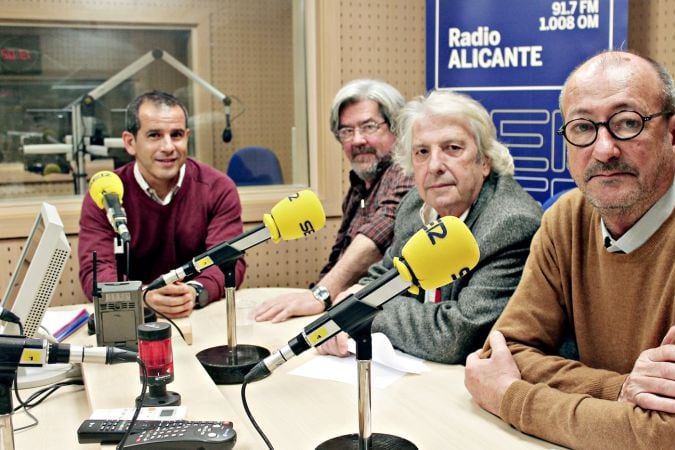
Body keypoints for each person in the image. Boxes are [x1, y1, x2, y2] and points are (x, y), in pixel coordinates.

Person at [464, 50, 675, 448]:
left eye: (628, 123)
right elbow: (504, 352)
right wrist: (620, 388)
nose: (604, 149)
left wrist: (512, 398)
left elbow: (669, 436)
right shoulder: (565, 219)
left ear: (674, 135)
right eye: (582, 127)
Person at [317, 90, 542, 364]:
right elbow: (384, 276)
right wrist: (353, 300)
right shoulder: (416, 205)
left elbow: (456, 336)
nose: (434, 165)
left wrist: (363, 310)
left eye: (453, 149)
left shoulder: (511, 223)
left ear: (485, 161)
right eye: (422, 152)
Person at [253, 79, 414, 321]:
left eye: (369, 127)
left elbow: (378, 234)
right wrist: (314, 294)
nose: (357, 140)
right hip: (344, 311)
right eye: (347, 131)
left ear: (396, 128)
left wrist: (319, 295)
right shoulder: (360, 184)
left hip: (380, 319)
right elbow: (339, 255)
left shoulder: (406, 172)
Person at [78, 91, 246, 319]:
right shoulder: (106, 194)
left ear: (187, 137)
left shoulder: (218, 188)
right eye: (155, 135)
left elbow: (229, 263)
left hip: (197, 316)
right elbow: (95, 272)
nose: (168, 147)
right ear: (130, 142)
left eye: (176, 135)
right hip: (133, 319)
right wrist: (142, 296)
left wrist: (195, 292)